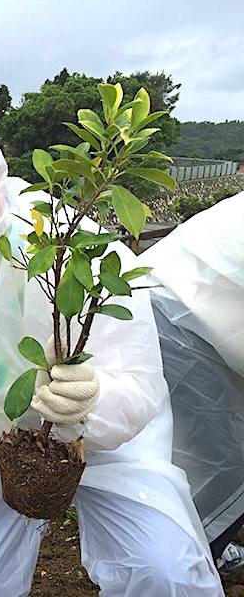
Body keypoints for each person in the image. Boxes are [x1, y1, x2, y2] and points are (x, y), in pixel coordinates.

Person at [0, 84, 223, 596]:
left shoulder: (63, 241)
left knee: (163, 569)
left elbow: (139, 379)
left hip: (106, 446)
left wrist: (94, 398)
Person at [140, 192, 244, 578]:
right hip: (177, 322)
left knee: (182, 461)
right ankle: (190, 564)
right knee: (227, 464)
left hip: (158, 304)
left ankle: (187, 551)